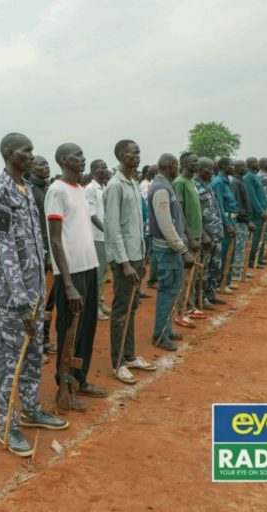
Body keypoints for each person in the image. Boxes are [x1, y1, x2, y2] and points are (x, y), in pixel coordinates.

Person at [0, 132, 67, 457]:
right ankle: (7, 425)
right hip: (14, 298)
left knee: (33, 355)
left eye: (33, 150)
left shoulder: (26, 188)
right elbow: (4, 247)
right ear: (10, 153)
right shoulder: (0, 190)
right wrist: (21, 300)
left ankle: (32, 409)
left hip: (34, 290)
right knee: (11, 362)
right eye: (26, 150)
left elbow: (34, 239)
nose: (32, 155)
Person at [47, 143, 108, 403]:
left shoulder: (80, 190)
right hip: (71, 273)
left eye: (83, 155)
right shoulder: (56, 190)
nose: (83, 159)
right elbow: (55, 239)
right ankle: (64, 386)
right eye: (78, 155)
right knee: (69, 331)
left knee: (86, 329)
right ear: (64, 159)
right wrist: (68, 283)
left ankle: (79, 379)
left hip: (89, 267)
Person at [104, 140, 156, 384]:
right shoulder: (115, 186)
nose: (138, 155)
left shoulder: (133, 182)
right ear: (121, 155)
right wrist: (124, 264)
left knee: (132, 307)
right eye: (134, 152)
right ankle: (118, 363)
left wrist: (141, 257)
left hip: (136, 255)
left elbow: (135, 225)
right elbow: (113, 228)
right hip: (124, 259)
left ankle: (130, 355)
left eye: (139, 152)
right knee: (121, 310)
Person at [148, 154, 194, 351]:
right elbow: (166, 225)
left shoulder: (165, 185)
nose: (178, 168)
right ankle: (160, 335)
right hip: (167, 250)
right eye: (176, 165)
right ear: (170, 166)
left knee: (172, 290)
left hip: (171, 248)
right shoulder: (160, 189)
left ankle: (166, 329)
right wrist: (183, 250)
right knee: (167, 291)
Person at [25, 155, 57, 357]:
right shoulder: (30, 192)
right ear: (31, 168)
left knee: (49, 301)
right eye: (41, 164)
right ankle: (34, 345)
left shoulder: (47, 190)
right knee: (38, 302)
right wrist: (44, 254)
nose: (46, 166)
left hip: (51, 251)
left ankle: (45, 339)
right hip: (39, 254)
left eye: (46, 163)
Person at [171, 152, 205, 325]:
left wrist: (201, 234)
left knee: (192, 275)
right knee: (184, 277)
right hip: (186, 237)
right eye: (194, 161)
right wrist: (190, 237)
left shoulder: (191, 182)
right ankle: (180, 310)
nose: (197, 163)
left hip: (196, 235)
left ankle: (189, 306)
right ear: (184, 164)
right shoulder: (180, 183)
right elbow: (179, 213)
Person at [194, 158, 225, 308]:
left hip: (216, 234)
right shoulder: (194, 186)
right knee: (203, 269)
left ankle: (210, 293)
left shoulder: (208, 185)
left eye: (213, 169)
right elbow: (195, 214)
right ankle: (200, 298)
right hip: (205, 236)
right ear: (200, 169)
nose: (212, 172)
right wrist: (202, 234)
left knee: (215, 267)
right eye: (210, 169)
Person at [85, 159, 110, 321]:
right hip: (97, 237)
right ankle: (94, 308)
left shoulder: (104, 187)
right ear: (94, 170)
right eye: (102, 167)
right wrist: (106, 231)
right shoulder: (90, 189)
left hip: (105, 237)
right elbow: (92, 214)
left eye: (106, 167)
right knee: (98, 274)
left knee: (104, 272)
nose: (105, 170)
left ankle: (100, 303)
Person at [211, 159, 238, 295]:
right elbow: (219, 206)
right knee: (224, 252)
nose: (233, 167)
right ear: (223, 167)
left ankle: (226, 281)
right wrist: (227, 224)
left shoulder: (227, 181)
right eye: (231, 165)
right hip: (226, 221)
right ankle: (220, 283)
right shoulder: (218, 182)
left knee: (230, 251)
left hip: (232, 219)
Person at [229, 160, 254, 284]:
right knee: (238, 247)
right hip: (240, 221)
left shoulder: (241, 181)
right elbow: (237, 205)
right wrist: (247, 221)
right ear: (237, 168)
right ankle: (235, 273)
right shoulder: (235, 183)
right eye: (243, 166)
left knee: (242, 247)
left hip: (244, 220)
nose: (246, 168)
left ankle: (240, 270)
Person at [243, 157, 267, 268]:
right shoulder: (248, 177)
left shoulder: (255, 176)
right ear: (250, 164)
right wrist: (260, 210)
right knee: (255, 237)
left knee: (261, 236)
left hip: (262, 211)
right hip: (256, 213)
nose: (258, 164)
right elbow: (252, 196)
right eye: (255, 163)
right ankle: (251, 260)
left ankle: (259, 258)